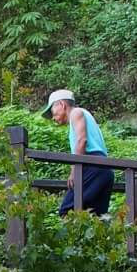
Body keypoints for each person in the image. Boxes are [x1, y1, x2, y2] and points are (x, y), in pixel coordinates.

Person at [47, 88, 113, 216]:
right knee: (94, 216)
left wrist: (74, 171)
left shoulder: (76, 113)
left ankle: (72, 236)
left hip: (93, 165)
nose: (53, 118)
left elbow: (82, 140)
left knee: (67, 211)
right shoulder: (84, 116)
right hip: (105, 169)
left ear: (61, 104)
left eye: (52, 112)